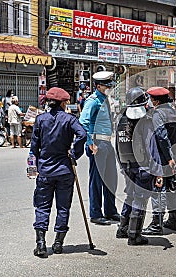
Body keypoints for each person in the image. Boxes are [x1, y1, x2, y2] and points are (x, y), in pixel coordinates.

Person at [30, 87, 87, 257]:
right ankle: (58, 244)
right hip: (64, 169)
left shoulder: (40, 119)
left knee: (42, 207)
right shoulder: (70, 119)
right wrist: (74, 153)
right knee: (63, 208)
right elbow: (82, 135)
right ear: (63, 103)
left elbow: (33, 147)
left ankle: (41, 244)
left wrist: (33, 168)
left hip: (45, 170)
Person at [115, 87, 163, 245]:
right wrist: (158, 172)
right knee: (140, 200)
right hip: (143, 168)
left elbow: (117, 146)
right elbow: (152, 148)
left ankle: (123, 229)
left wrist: (122, 167)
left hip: (127, 166)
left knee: (130, 197)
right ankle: (134, 236)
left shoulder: (121, 119)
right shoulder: (145, 121)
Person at [142, 87, 176, 235]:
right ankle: (173, 220)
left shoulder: (157, 114)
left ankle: (157, 224)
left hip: (162, 158)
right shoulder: (174, 113)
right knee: (171, 188)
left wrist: (168, 158)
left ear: (155, 100)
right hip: (173, 157)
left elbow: (162, 137)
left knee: (158, 189)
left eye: (150, 98)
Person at [79, 71, 120, 225]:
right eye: (106, 86)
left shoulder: (105, 99)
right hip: (97, 143)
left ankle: (110, 211)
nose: (109, 88)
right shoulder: (93, 101)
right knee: (96, 180)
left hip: (107, 142)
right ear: (98, 86)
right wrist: (90, 143)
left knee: (111, 179)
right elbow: (83, 122)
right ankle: (96, 213)